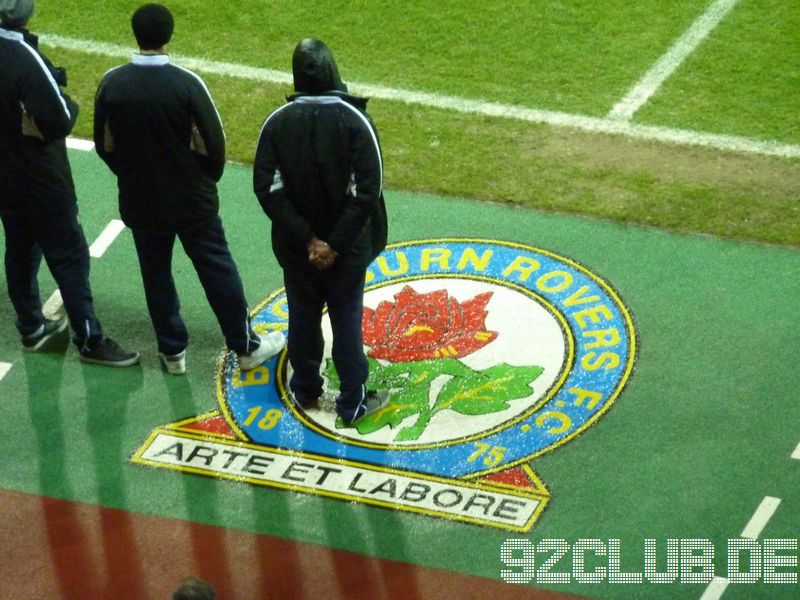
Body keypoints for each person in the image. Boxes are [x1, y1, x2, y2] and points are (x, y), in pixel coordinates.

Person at [93, 3, 284, 375]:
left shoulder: (113, 83)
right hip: (191, 199)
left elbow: (105, 144)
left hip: (141, 199)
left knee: (155, 272)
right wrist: (203, 179)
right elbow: (216, 145)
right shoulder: (186, 83)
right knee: (216, 268)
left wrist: (130, 175)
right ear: (168, 37)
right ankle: (245, 346)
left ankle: (172, 352)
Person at [254, 38, 389, 425]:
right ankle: (352, 402)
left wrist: (308, 241)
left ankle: (306, 390)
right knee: (346, 320)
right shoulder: (355, 120)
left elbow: (269, 189)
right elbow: (366, 191)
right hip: (345, 254)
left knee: (302, 315)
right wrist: (334, 244)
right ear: (333, 71)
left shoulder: (277, 122)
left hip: (297, 251)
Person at [0, 0, 139, 366]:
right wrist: (63, 97)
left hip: (6, 180)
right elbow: (60, 119)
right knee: (70, 257)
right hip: (42, 181)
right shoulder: (22, 55)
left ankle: (31, 327)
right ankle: (90, 339)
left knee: (19, 249)